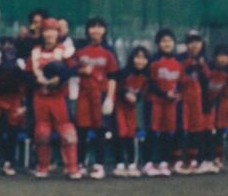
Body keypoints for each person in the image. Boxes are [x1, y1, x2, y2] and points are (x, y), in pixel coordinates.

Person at [26, 18, 81, 179]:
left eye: (53, 31)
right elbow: (27, 73)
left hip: (59, 97)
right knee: (42, 132)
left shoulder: (65, 51)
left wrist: (60, 78)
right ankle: (43, 166)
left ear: (58, 33)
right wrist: (36, 81)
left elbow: (73, 69)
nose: (50, 34)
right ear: (42, 33)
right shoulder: (35, 51)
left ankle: (72, 167)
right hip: (40, 96)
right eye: (46, 31)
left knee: (67, 132)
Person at [74, 17, 118, 179]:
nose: (96, 30)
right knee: (81, 130)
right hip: (83, 95)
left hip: (101, 95)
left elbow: (113, 76)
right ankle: (79, 164)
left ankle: (99, 165)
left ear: (104, 30)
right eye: (93, 27)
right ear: (87, 30)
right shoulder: (80, 49)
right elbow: (70, 69)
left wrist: (110, 98)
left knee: (100, 131)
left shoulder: (109, 51)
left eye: (100, 27)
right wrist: (81, 71)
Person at [144, 28, 183, 177]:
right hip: (154, 102)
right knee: (152, 131)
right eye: (163, 41)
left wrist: (176, 93)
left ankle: (163, 162)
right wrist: (164, 94)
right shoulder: (153, 61)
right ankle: (148, 163)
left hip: (170, 104)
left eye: (169, 41)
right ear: (158, 43)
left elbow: (180, 82)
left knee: (167, 133)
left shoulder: (178, 62)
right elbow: (150, 83)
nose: (167, 44)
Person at [0, 39, 28, 175]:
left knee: (13, 133)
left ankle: (9, 161)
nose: (9, 53)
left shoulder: (20, 67)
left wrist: (23, 107)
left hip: (15, 103)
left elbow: (25, 87)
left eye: (11, 49)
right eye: (6, 49)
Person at [174, 31, 210, 174]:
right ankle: (176, 161)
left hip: (198, 101)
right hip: (182, 101)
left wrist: (202, 67)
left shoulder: (205, 61)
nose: (194, 45)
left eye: (197, 42)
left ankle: (193, 160)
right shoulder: (179, 59)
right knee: (180, 128)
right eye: (191, 42)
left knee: (196, 129)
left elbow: (207, 82)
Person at [112, 46, 150, 177]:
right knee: (120, 133)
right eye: (137, 57)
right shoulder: (124, 73)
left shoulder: (146, 76)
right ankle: (119, 163)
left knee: (131, 134)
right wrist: (125, 94)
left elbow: (142, 93)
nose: (140, 61)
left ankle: (133, 164)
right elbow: (116, 88)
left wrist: (136, 98)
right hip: (119, 107)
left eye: (144, 58)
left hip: (132, 109)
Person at [210, 44, 228, 170]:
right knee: (219, 131)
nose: (222, 58)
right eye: (220, 56)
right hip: (220, 105)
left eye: (225, 55)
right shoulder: (212, 71)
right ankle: (218, 157)